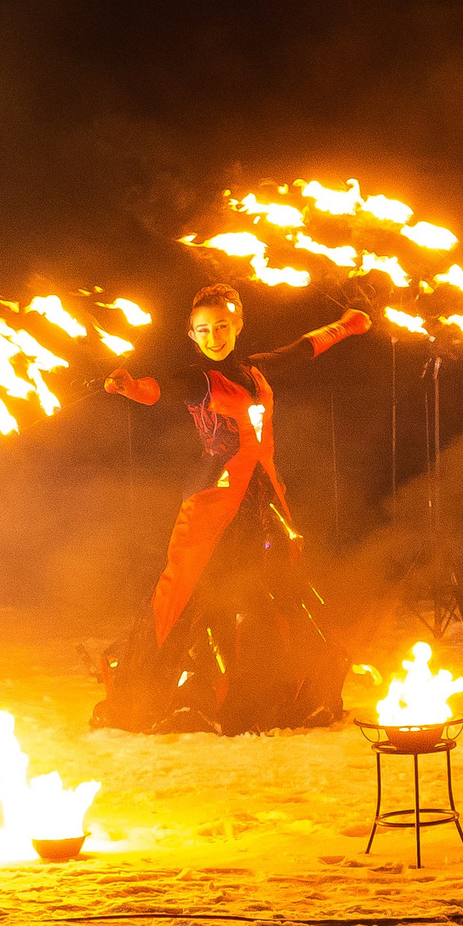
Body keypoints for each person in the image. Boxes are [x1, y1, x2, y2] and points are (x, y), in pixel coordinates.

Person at [91, 283, 372, 733]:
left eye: (222, 325)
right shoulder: (198, 378)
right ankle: (187, 698)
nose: (213, 336)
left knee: (275, 591)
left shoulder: (258, 371)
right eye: (202, 330)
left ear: (238, 324)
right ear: (192, 335)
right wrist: (131, 388)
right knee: (195, 593)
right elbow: (157, 389)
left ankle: (272, 696)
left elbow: (304, 348)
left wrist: (347, 326)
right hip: (215, 500)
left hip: (262, 496)